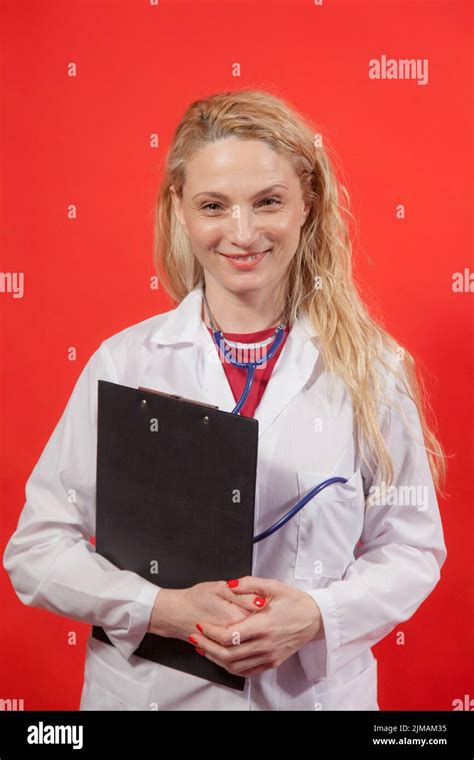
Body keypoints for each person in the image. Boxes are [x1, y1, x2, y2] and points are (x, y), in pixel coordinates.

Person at [3, 89, 447, 711]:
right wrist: (161, 609)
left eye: (268, 202)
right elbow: (37, 549)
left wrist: (318, 615)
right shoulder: (123, 365)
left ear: (307, 205)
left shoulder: (372, 370)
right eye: (214, 205)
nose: (242, 234)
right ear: (180, 211)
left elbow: (411, 546)